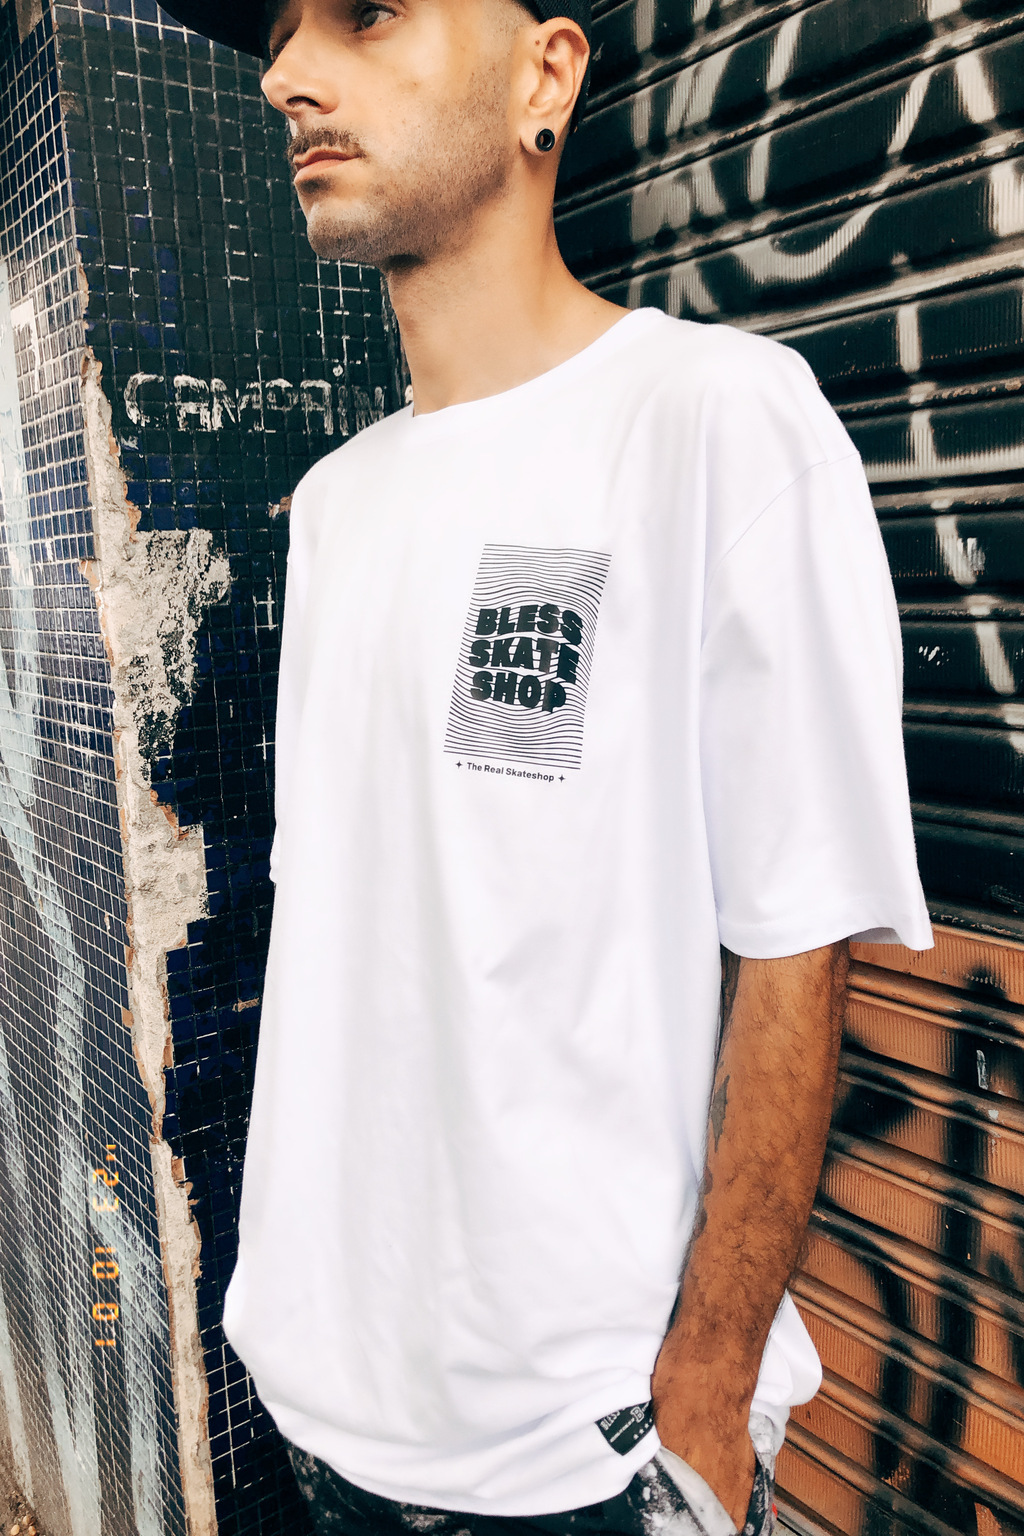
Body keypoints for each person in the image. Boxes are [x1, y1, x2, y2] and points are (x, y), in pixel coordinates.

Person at [157, 1, 933, 1531]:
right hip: (327, 1410)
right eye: (287, 35)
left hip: (585, 1454)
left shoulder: (715, 419)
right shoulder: (336, 505)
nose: (290, 77)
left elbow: (798, 943)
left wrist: (705, 1397)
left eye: (370, 15)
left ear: (547, 77)